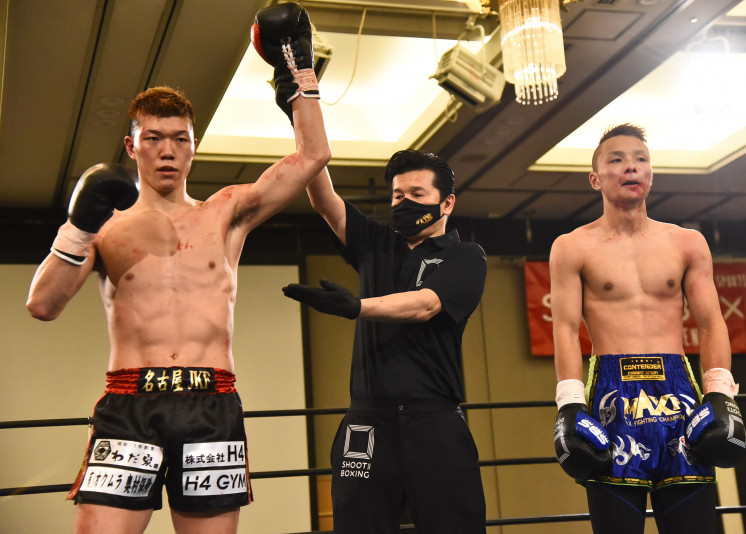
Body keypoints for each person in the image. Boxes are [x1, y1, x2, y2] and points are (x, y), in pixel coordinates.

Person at [25, 4, 330, 533]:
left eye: (179, 139)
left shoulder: (227, 211)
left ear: (193, 147)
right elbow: (43, 305)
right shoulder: (105, 227)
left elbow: (312, 157)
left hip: (212, 403)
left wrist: (297, 73)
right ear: (132, 146)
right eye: (153, 138)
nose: (167, 151)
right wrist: (77, 226)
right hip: (129, 403)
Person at [549, 123, 746, 534]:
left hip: (678, 390)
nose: (631, 167)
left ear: (651, 175)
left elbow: (711, 322)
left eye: (640, 159)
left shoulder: (687, 242)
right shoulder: (572, 246)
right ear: (595, 178)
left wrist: (720, 392)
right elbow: (565, 329)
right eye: (617, 160)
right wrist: (569, 404)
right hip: (611, 391)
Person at [282, 150, 488, 533]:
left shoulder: (466, 256)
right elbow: (323, 199)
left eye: (417, 194)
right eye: (397, 195)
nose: (405, 202)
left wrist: (356, 307)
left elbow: (425, 305)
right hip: (368, 420)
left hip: (434, 419)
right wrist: (303, 123)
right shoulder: (375, 243)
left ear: (447, 203)